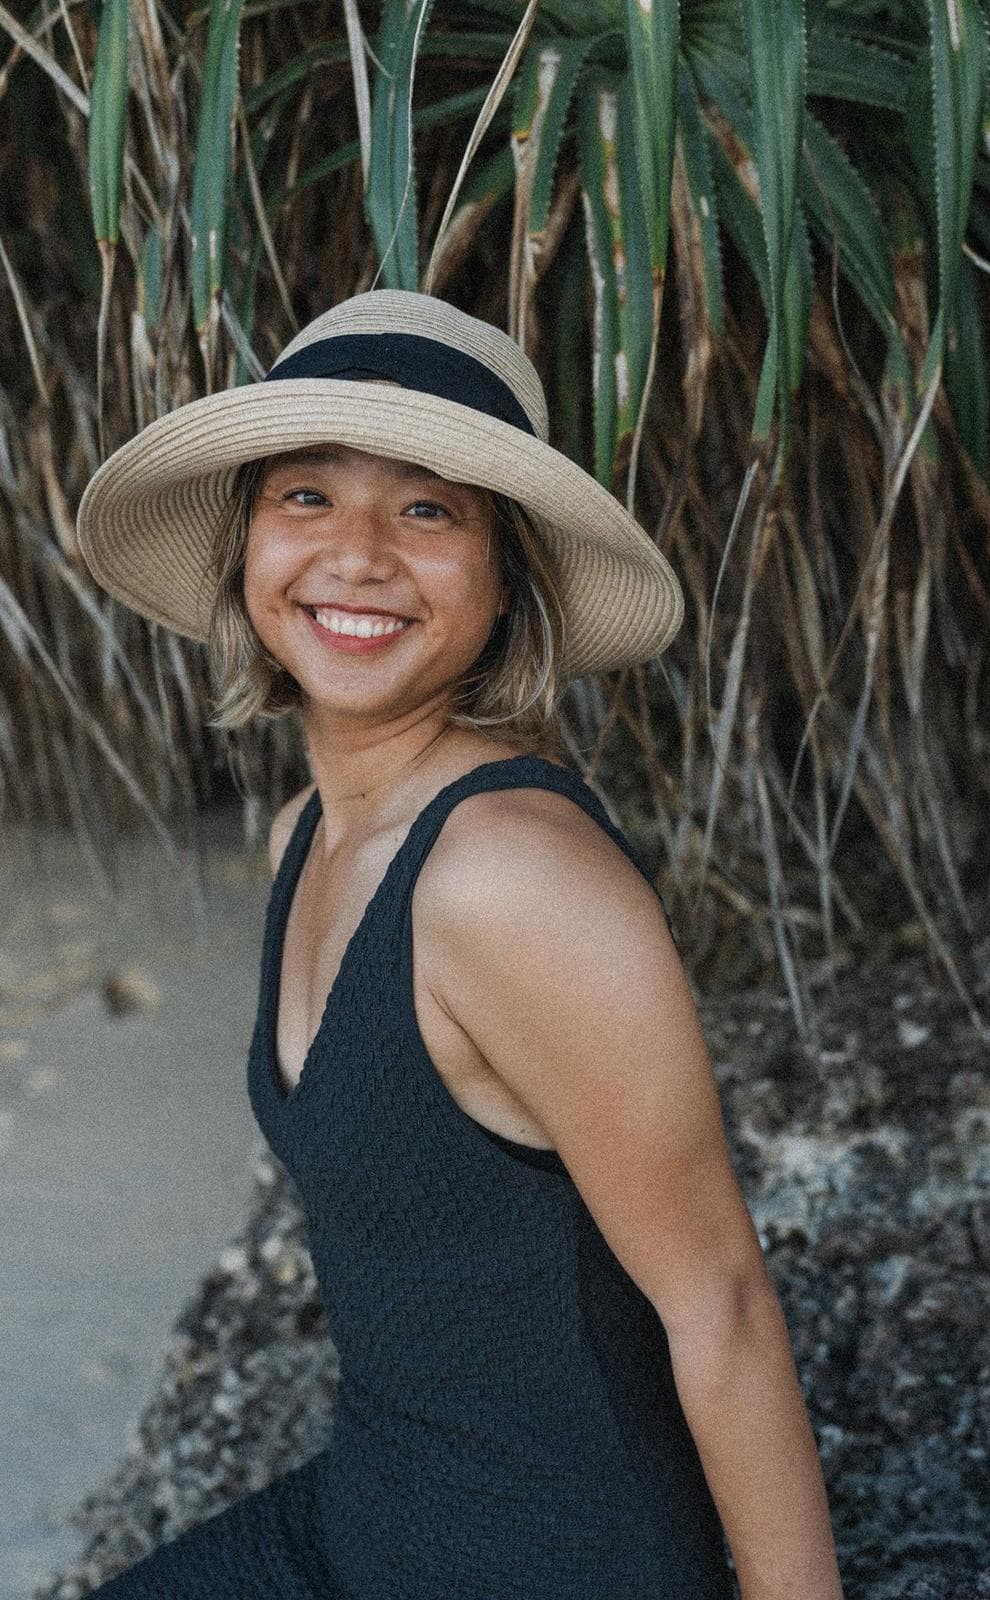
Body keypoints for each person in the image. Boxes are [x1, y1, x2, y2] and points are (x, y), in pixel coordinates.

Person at [75, 290, 844, 1599]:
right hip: (368, 1522)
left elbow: (722, 1305)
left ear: (506, 583)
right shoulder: (305, 833)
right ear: (246, 544)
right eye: (305, 496)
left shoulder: (512, 882)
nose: (358, 552)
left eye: (428, 509)